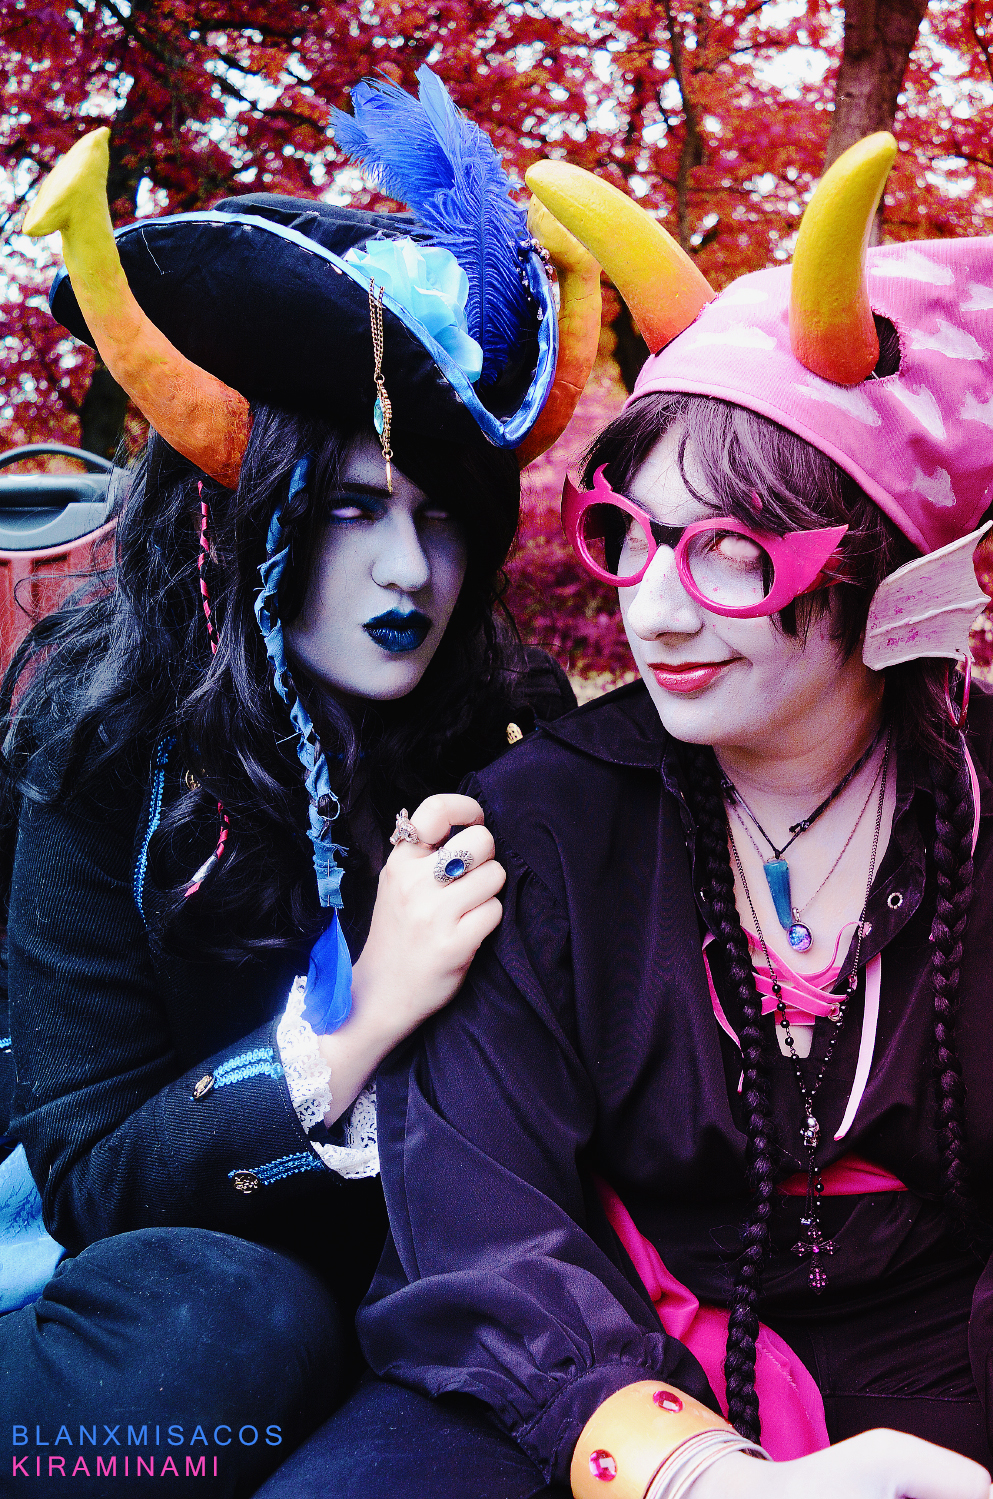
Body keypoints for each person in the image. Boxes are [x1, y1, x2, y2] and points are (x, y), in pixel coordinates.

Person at [260, 136, 993, 1498]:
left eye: (733, 553)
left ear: (883, 570)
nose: (652, 609)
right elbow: (479, 1225)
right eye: (633, 536)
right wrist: (693, 1474)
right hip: (586, 1368)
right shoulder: (537, 824)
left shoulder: (982, 805)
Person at [0, 67, 597, 1496]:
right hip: (166, 1301)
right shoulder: (103, 749)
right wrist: (351, 1021)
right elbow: (88, 1180)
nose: (409, 573)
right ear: (241, 516)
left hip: (438, 1301)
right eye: (348, 509)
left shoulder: (508, 724)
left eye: (441, 519)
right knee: (222, 1332)